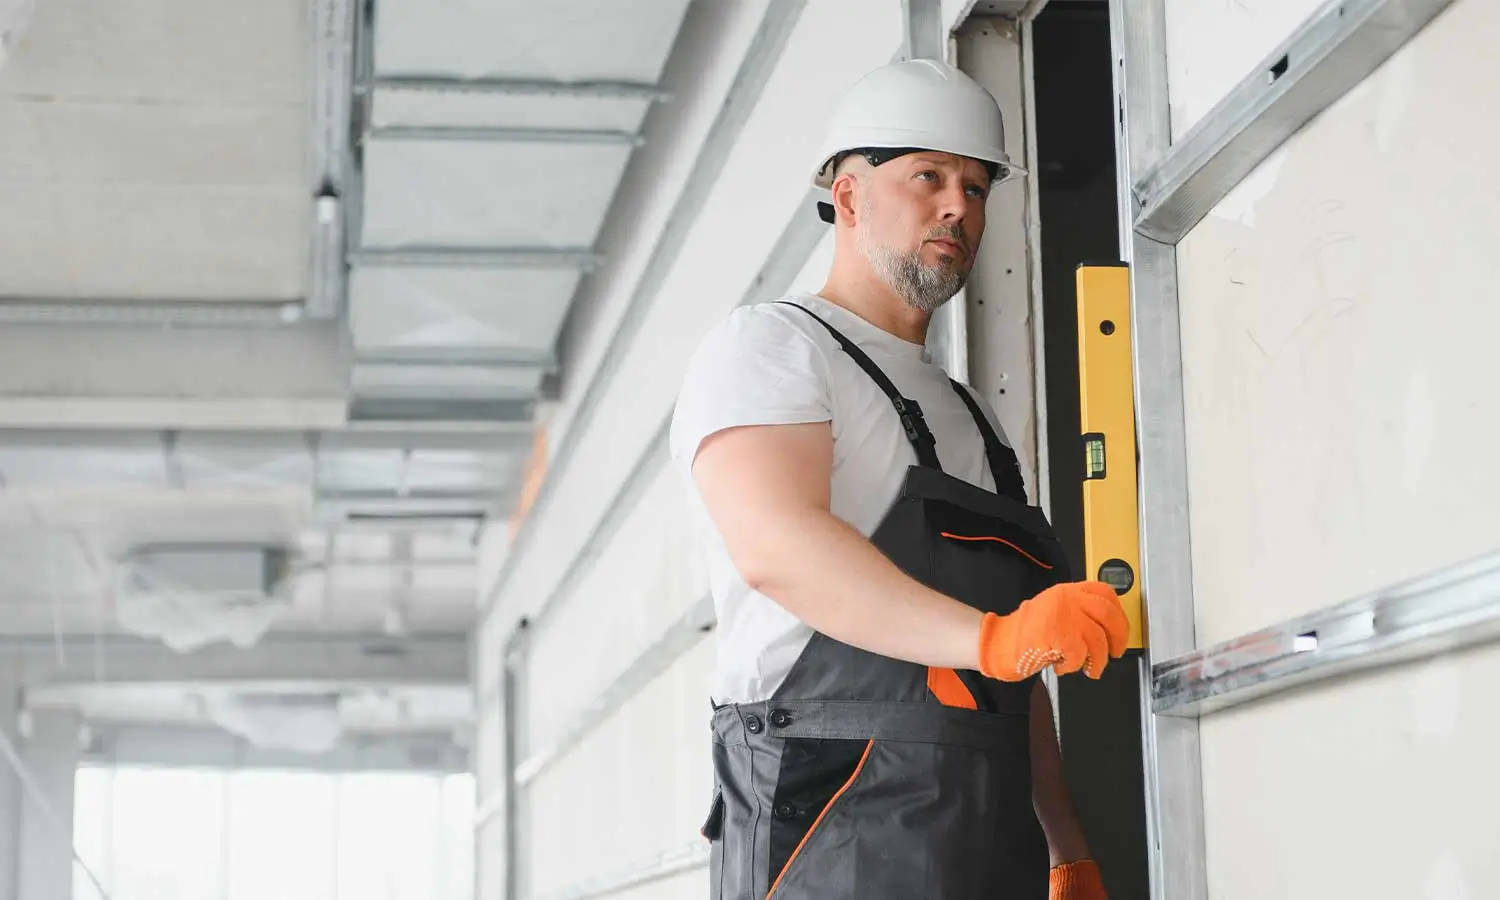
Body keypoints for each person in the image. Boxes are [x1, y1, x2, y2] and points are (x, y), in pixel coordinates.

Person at [669, 58, 1127, 900]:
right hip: (830, 820)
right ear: (847, 197)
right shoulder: (772, 348)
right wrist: (992, 643)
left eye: (977, 187)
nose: (959, 206)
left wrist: (1065, 844)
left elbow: (1014, 661)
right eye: (929, 176)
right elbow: (779, 547)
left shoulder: (970, 415)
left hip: (983, 839)